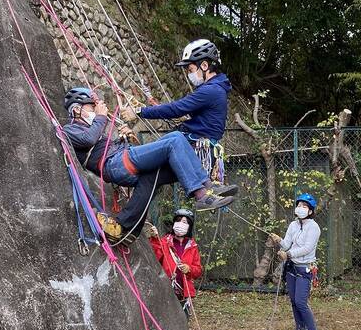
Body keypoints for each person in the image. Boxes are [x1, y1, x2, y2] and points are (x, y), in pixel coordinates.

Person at [62, 87, 236, 243]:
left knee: (157, 169)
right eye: (91, 106)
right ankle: (202, 194)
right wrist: (100, 116)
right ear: (77, 109)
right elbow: (89, 139)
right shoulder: (70, 129)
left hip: (121, 159)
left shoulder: (94, 126)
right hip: (115, 164)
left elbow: (98, 142)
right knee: (175, 139)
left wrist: (124, 137)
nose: (96, 108)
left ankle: (128, 229)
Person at [121, 39, 236, 183]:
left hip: (194, 147)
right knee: (150, 179)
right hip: (199, 148)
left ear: (205, 65)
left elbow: (176, 109)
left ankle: (122, 162)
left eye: (190, 70)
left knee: (149, 173)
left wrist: (139, 111)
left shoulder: (210, 90)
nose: (189, 74)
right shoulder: (217, 88)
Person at [270, 193, 321, 330]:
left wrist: (288, 254)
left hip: (305, 269)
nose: (300, 208)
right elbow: (287, 244)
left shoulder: (314, 227)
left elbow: (307, 248)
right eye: (299, 205)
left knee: (300, 302)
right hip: (292, 268)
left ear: (310, 211)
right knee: (293, 301)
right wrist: (279, 240)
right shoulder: (293, 225)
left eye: (304, 206)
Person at [148, 209, 202, 317]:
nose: (180, 224)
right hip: (166, 289)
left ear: (189, 226)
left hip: (184, 292)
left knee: (182, 319)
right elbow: (155, 257)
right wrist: (154, 239)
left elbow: (198, 271)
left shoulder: (192, 246)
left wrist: (189, 269)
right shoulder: (164, 242)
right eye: (178, 221)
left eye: (184, 222)